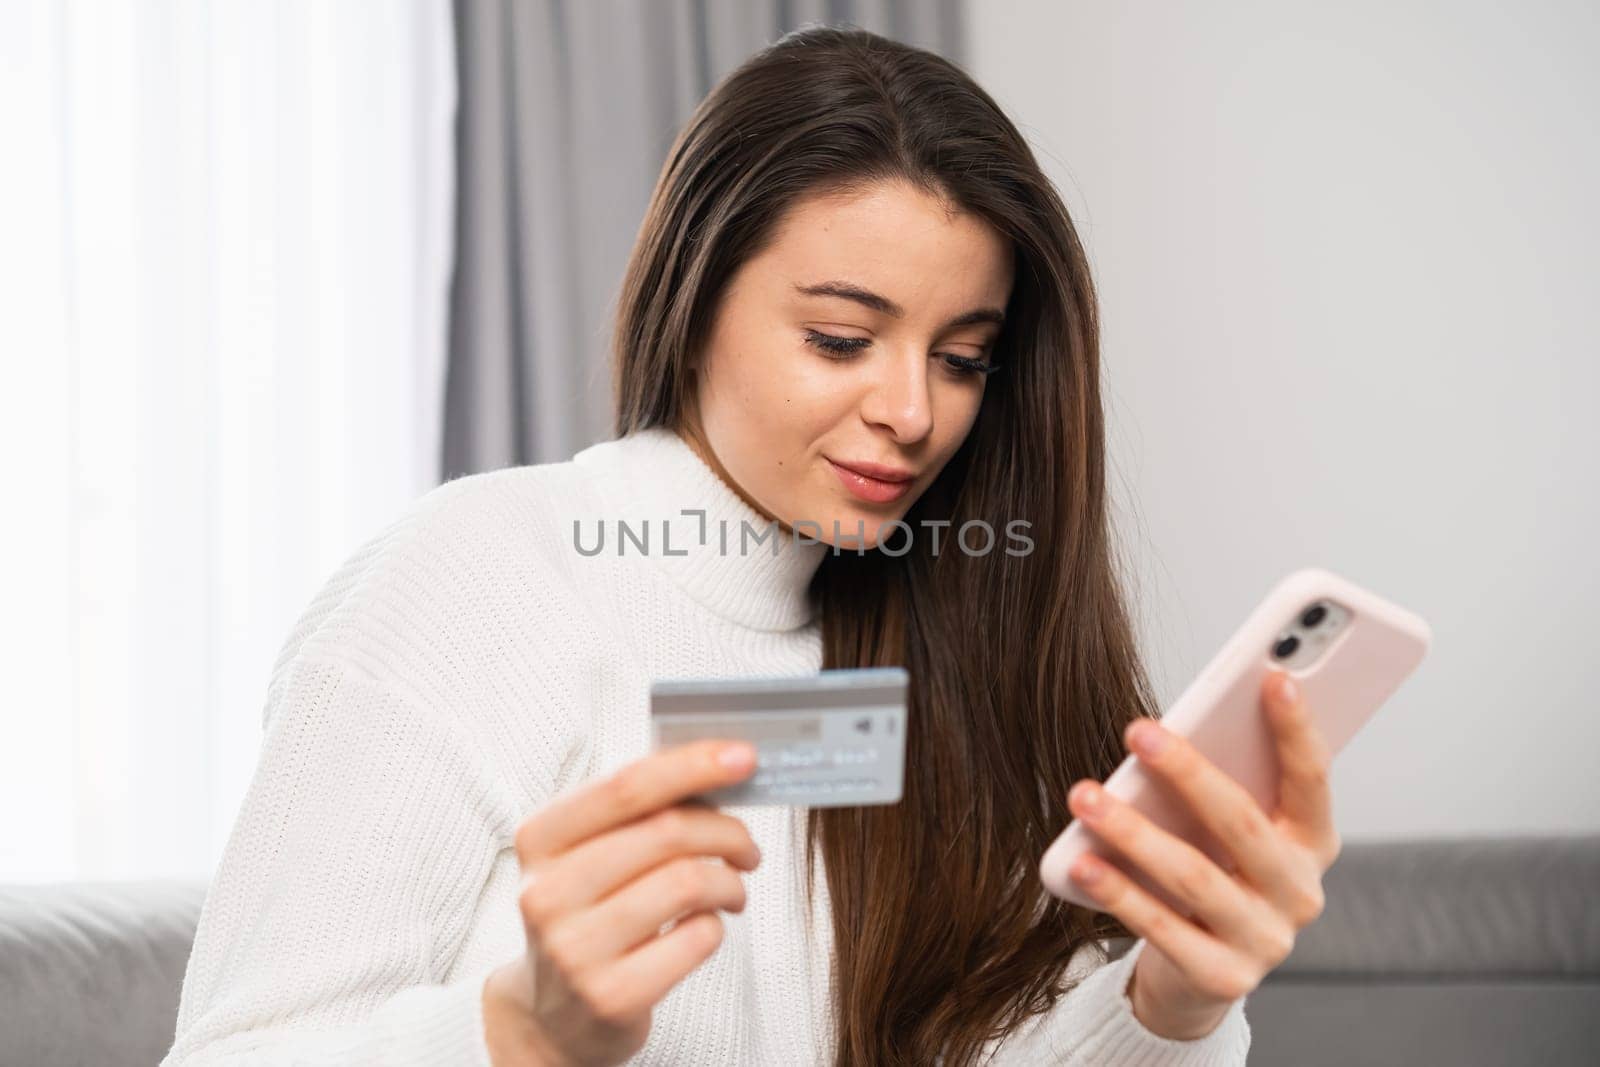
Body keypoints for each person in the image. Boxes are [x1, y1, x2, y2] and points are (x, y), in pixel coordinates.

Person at [165, 25, 1342, 1067]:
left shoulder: (922, 631)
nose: (914, 412)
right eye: (839, 339)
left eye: (962, 356)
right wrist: (517, 1033)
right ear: (694, 297)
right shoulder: (475, 581)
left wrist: (1171, 1003)